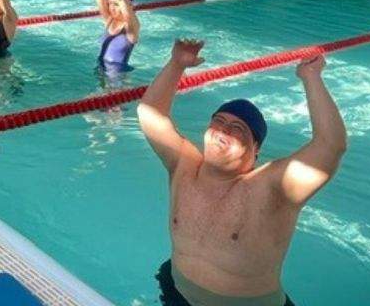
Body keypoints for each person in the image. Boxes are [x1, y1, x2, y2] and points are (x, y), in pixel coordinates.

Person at [138, 40, 347, 306]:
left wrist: (311, 76)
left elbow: (330, 145)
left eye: (238, 129)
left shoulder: (272, 186)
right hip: (177, 292)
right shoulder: (184, 166)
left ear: (255, 149)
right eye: (218, 121)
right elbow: (150, 112)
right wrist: (177, 64)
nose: (223, 130)